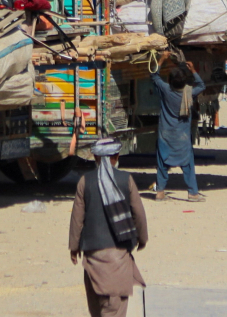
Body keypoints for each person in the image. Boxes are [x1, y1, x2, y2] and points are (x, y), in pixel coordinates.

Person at [68, 137, 148, 317]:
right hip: (118, 260)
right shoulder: (125, 180)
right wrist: (142, 239)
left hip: (92, 259)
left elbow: (77, 218)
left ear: (95, 157)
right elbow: (139, 214)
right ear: (117, 156)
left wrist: (74, 247)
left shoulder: (84, 182)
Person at [150, 53, 205, 200]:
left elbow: (154, 76)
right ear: (185, 82)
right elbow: (201, 85)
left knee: (162, 163)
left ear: (170, 80)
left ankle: (160, 192)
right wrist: (193, 70)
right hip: (183, 136)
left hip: (165, 134)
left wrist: (161, 59)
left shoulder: (166, 90)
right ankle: (192, 193)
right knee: (187, 164)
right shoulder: (189, 93)